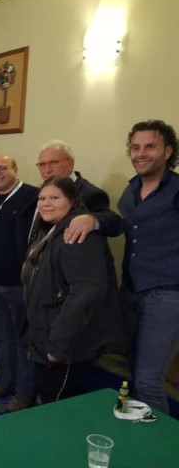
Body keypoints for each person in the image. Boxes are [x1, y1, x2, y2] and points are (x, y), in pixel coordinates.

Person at [21, 176, 120, 404]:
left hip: (65, 347)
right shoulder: (53, 229)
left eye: (54, 198)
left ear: (73, 201)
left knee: (58, 406)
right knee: (48, 401)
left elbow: (85, 294)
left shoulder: (77, 234)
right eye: (42, 198)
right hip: (46, 333)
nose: (46, 203)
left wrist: (58, 346)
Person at [118, 119, 179, 414]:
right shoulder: (130, 190)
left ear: (167, 151)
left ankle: (163, 441)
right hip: (132, 291)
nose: (140, 154)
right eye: (135, 147)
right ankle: (141, 431)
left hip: (167, 294)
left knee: (149, 380)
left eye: (150, 146)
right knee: (133, 373)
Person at [0, 155, 38, 411]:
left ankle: (24, 393)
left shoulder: (32, 197)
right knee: (2, 337)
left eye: (3, 168)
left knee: (23, 342)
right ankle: (4, 381)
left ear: (16, 169)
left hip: (18, 286)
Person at [34, 140, 122, 243]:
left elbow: (115, 223)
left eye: (54, 163)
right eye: (42, 164)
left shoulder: (89, 193)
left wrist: (92, 219)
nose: (47, 170)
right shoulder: (39, 192)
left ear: (70, 163)